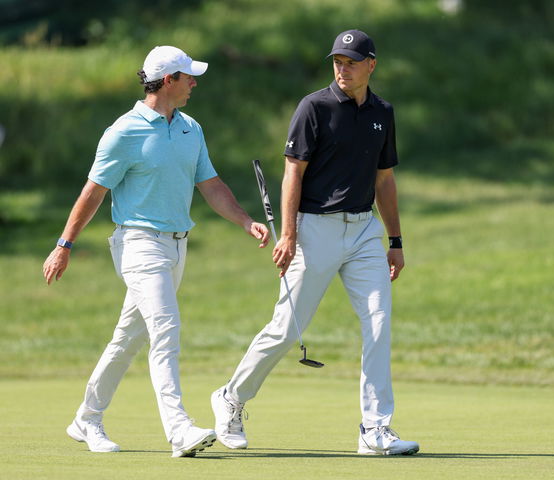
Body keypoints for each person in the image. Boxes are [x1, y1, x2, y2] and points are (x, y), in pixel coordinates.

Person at [42, 45, 270, 458]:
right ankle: (179, 429)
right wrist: (64, 245)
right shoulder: (123, 131)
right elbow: (93, 193)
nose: (194, 83)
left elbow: (211, 185)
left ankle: (86, 418)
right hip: (138, 244)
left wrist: (243, 220)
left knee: (128, 339)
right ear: (168, 81)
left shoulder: (190, 128)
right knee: (165, 329)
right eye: (188, 77)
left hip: (177, 247)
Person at [210, 30, 420, 456]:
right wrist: (288, 234)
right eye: (337, 61)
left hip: (364, 230)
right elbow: (293, 173)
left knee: (378, 323)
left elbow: (384, 179)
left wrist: (395, 238)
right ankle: (231, 398)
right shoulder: (315, 107)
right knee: (286, 330)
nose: (343, 68)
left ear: (371, 65)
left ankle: (375, 429)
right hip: (314, 230)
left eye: (351, 61)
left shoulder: (383, 112)